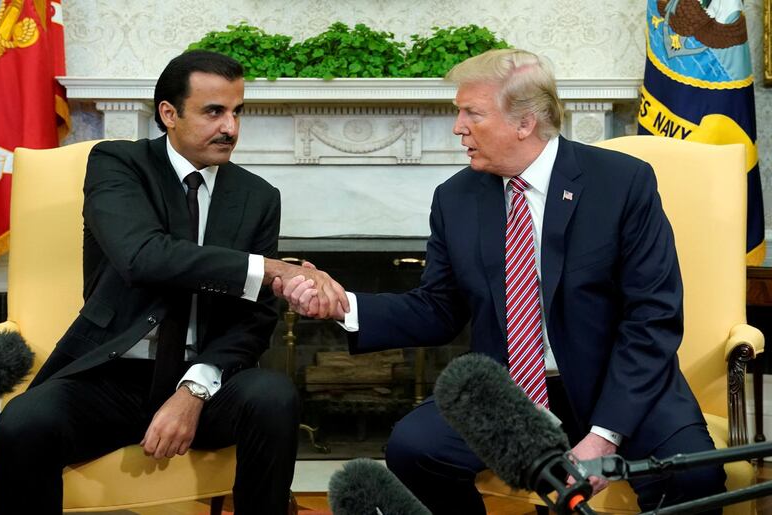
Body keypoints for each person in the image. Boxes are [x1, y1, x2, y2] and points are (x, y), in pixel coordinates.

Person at [278, 48, 726, 514]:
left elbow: (653, 317)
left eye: (471, 113)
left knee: (693, 473)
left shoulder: (622, 182)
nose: (458, 127)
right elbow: (437, 309)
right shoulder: (456, 198)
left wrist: (603, 436)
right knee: (414, 449)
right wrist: (342, 306)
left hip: (619, 383)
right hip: (509, 394)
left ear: (524, 122)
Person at [0, 50, 347, 515]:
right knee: (22, 424)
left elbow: (254, 317)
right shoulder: (118, 164)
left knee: (272, 397)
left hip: (208, 376)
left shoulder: (258, 196)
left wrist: (194, 388)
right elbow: (144, 257)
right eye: (214, 111)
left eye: (237, 112)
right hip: (111, 375)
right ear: (168, 114)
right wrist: (275, 268)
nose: (231, 128)